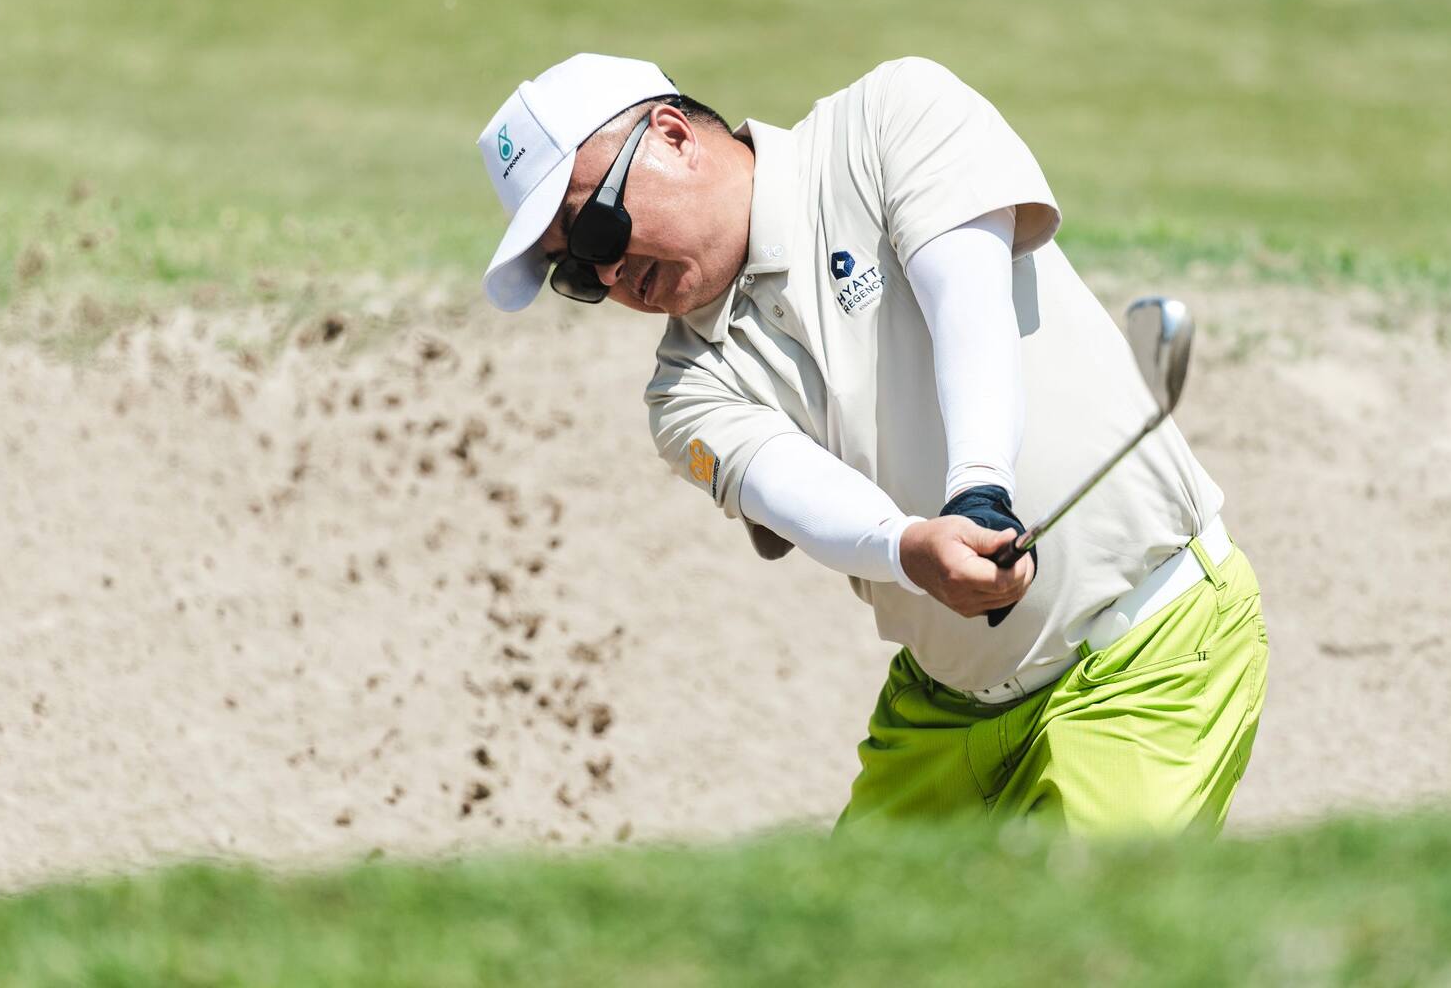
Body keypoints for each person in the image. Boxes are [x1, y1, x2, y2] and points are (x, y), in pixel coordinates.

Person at [475, 53, 1268, 834]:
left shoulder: (887, 120)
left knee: (1083, 923)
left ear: (673, 135)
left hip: (1148, 657)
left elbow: (967, 300)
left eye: (594, 230)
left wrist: (980, 488)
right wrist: (908, 546)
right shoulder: (683, 387)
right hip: (944, 710)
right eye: (571, 273)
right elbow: (792, 489)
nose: (606, 274)